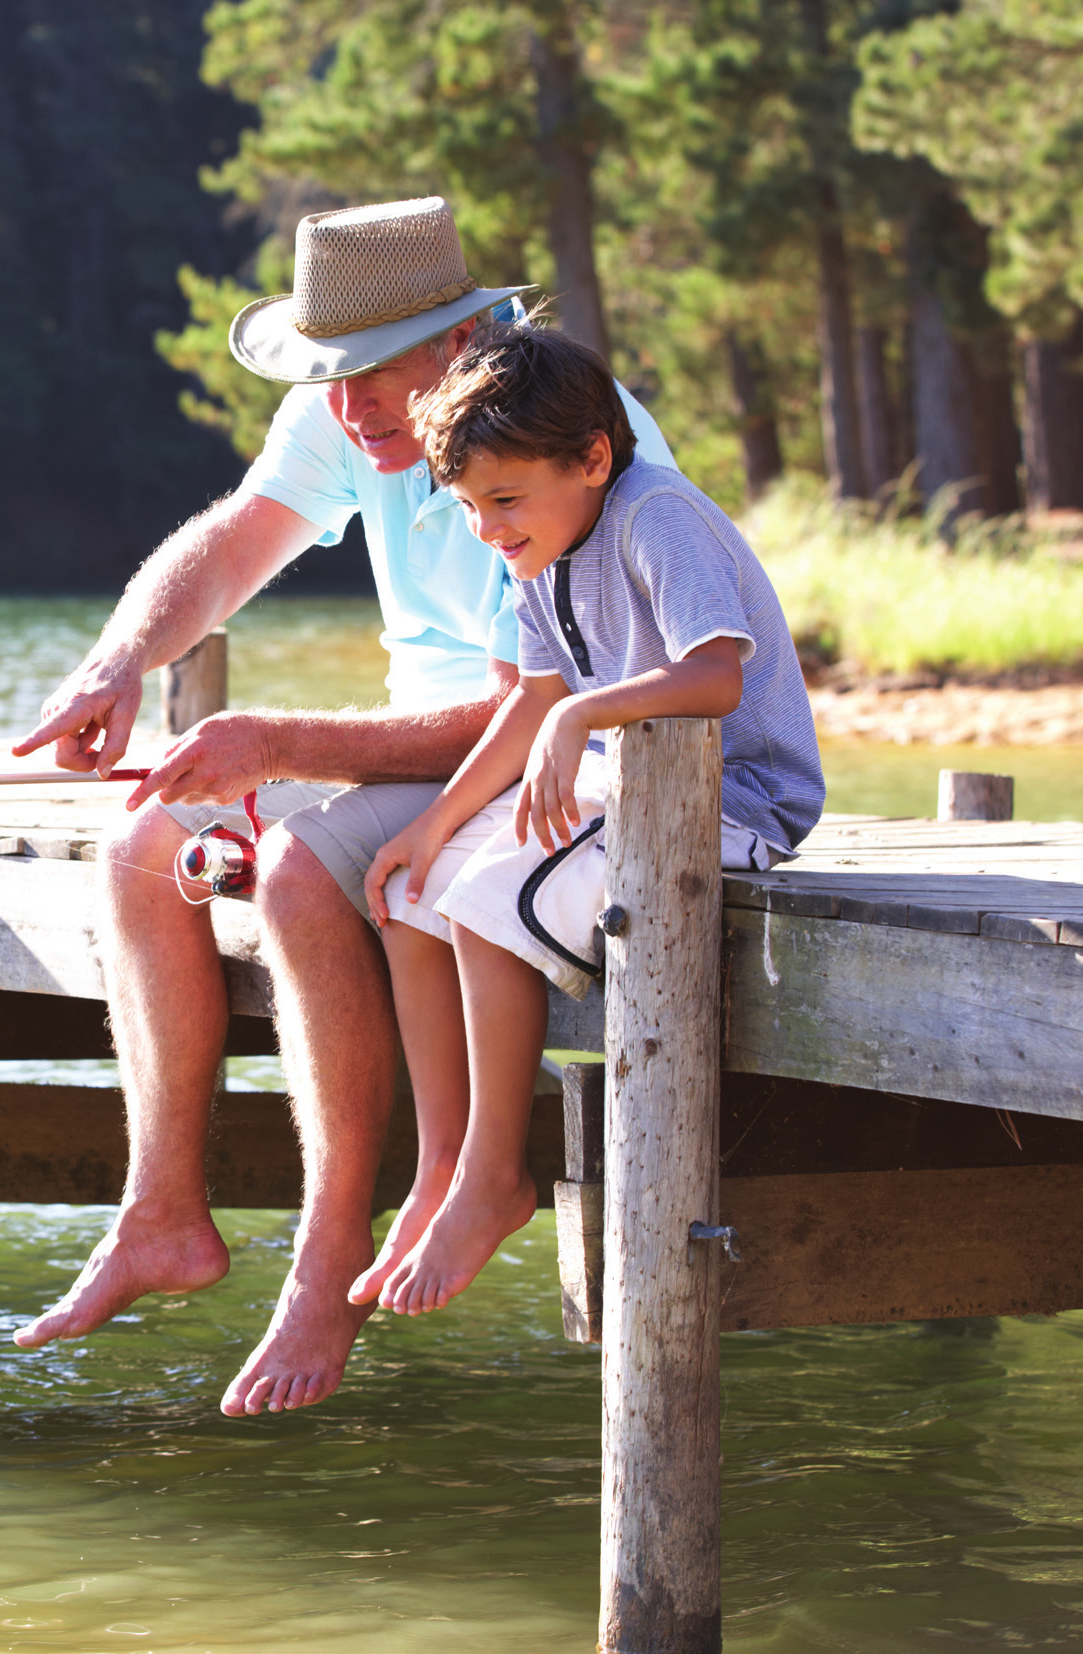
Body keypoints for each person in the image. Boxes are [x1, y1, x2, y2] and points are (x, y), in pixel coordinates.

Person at [8, 196, 677, 1415]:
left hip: (552, 766)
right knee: (141, 854)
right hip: (421, 752)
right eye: (332, 374)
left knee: (302, 873)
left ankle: (325, 1268)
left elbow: (539, 704)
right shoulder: (350, 414)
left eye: (371, 373)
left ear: (460, 341)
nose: (349, 405)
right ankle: (161, 1213)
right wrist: (117, 661)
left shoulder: (557, 435)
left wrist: (277, 742)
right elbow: (224, 547)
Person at [355, 322, 823, 1316]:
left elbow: (715, 673)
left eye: (505, 501)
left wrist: (583, 711)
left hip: (734, 802)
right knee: (414, 889)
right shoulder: (541, 545)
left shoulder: (656, 517)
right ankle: (452, 1159)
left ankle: (494, 1174)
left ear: (592, 458)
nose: (489, 529)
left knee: (486, 902)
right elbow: (530, 697)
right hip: (635, 792)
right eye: (471, 507)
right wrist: (437, 821)